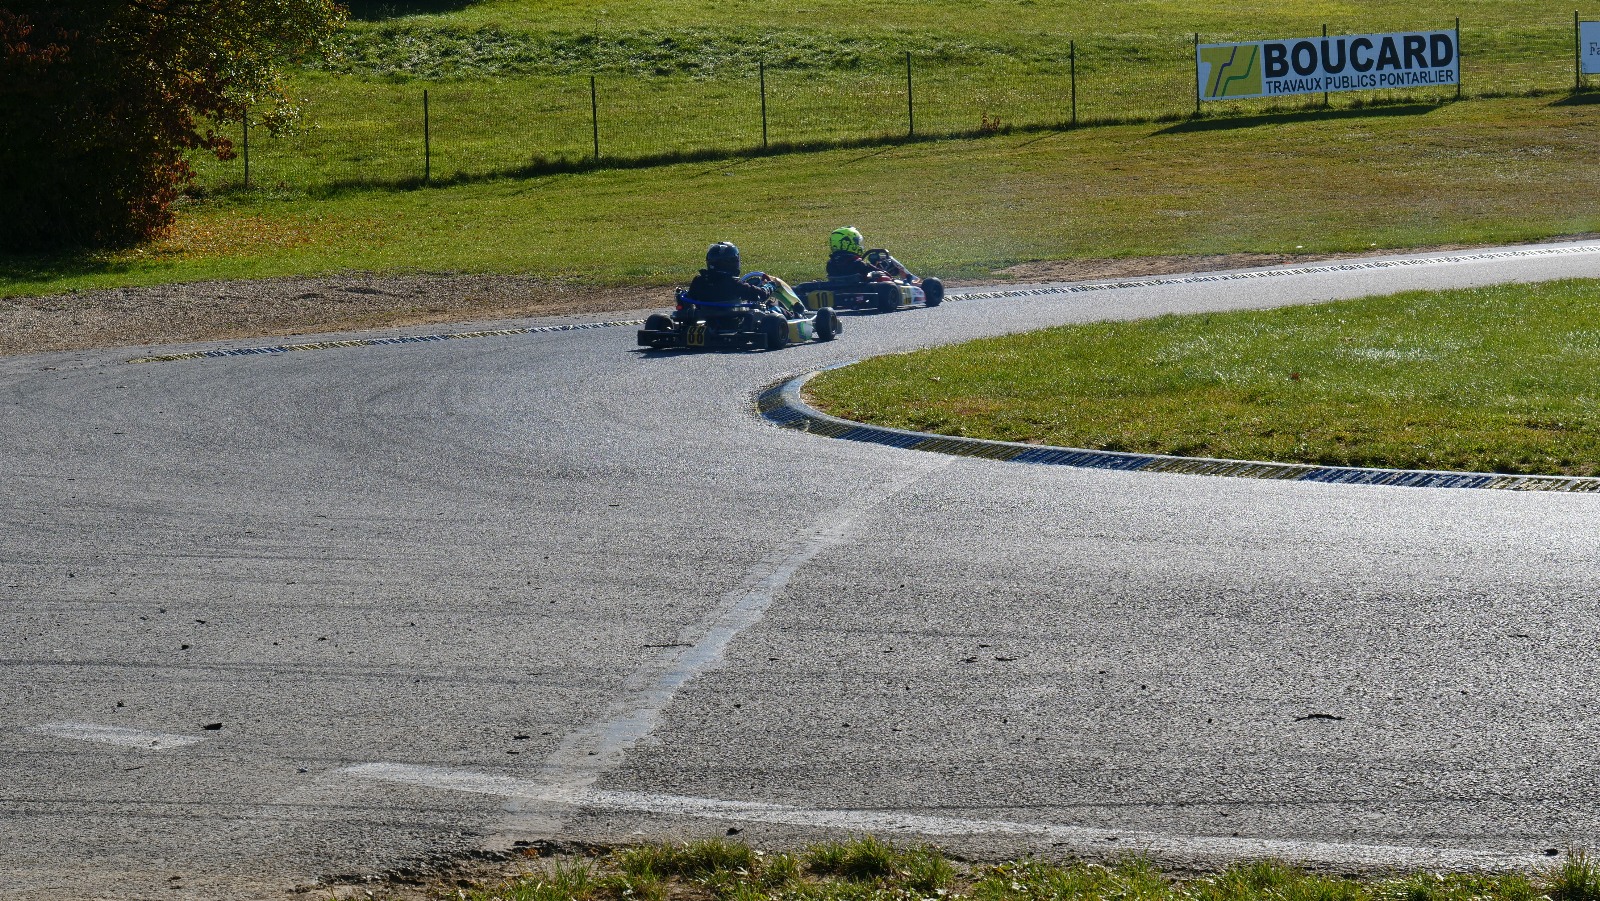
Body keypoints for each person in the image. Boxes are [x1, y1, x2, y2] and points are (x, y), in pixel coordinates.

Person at [684, 242, 769, 315]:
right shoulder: (733, 283)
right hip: (732, 322)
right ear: (731, 263)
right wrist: (770, 286)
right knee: (773, 310)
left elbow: (690, 297)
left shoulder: (699, 281)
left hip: (705, 319)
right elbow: (760, 295)